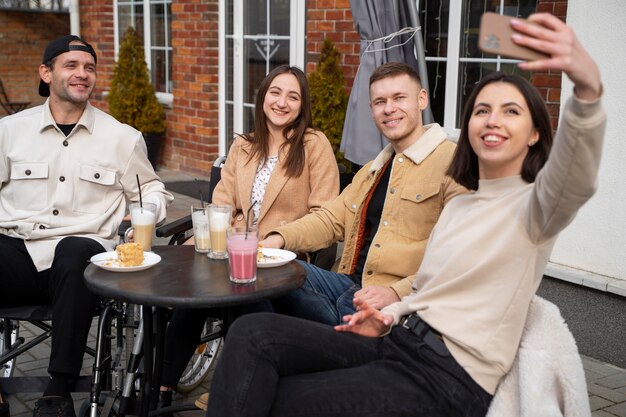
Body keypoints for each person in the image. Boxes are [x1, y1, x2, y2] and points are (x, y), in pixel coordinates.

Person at [205, 13, 605, 416]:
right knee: (250, 332)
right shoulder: (459, 203)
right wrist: (390, 314)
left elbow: (573, 179)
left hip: (447, 377)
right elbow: (432, 285)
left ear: (535, 134)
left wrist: (587, 91)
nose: (493, 119)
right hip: (398, 338)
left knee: (275, 393)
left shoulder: (533, 207)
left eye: (511, 112)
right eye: (482, 110)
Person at [0, 35, 173, 417]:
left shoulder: (122, 139)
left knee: (74, 249)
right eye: (71, 65)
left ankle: (57, 391)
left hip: (83, 265)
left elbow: (153, 191)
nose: (83, 74)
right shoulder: (9, 131)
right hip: (19, 252)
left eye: (89, 67)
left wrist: (143, 219)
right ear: (46, 73)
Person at [158, 65, 339, 404]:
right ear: (263, 96)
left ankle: (244, 385)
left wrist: (274, 239)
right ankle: (161, 387)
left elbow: (325, 215)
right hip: (232, 251)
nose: (282, 102)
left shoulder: (314, 145)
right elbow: (221, 206)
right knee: (196, 291)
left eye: (293, 96)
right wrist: (224, 240)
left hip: (282, 258)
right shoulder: (243, 145)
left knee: (246, 287)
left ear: (303, 105)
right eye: (275, 92)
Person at [262, 62, 466, 325]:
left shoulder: (454, 164)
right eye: (380, 101)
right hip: (345, 284)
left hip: (394, 305)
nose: (389, 108)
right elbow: (330, 220)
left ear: (422, 99)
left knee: (266, 326)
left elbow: (461, 256)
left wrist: (396, 292)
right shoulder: (372, 170)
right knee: (264, 276)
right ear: (371, 110)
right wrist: (277, 240)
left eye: (399, 98)